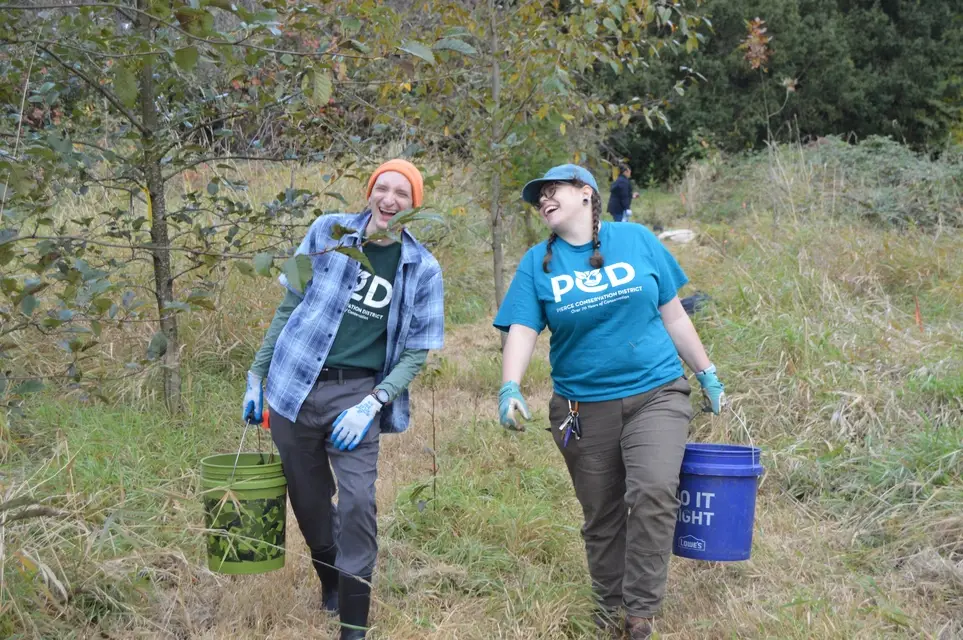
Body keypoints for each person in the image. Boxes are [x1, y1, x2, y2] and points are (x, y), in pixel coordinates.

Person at [494, 164, 726, 640]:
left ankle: (640, 612)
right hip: (582, 407)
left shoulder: (636, 239)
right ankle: (608, 607)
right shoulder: (537, 262)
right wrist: (510, 385)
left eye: (551, 190)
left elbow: (673, 313)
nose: (543, 200)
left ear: (586, 194)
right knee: (602, 516)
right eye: (537, 197)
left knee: (654, 491)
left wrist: (707, 373)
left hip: (656, 392)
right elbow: (522, 328)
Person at [241, 159, 444, 640]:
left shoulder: (422, 267)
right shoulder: (327, 232)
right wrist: (256, 375)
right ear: (370, 191)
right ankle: (330, 583)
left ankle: (354, 622)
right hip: (294, 384)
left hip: (356, 393)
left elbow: (417, 352)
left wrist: (373, 403)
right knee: (309, 502)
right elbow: (288, 306)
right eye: (383, 188)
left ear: (414, 205)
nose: (389, 200)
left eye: (402, 194)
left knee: (357, 501)